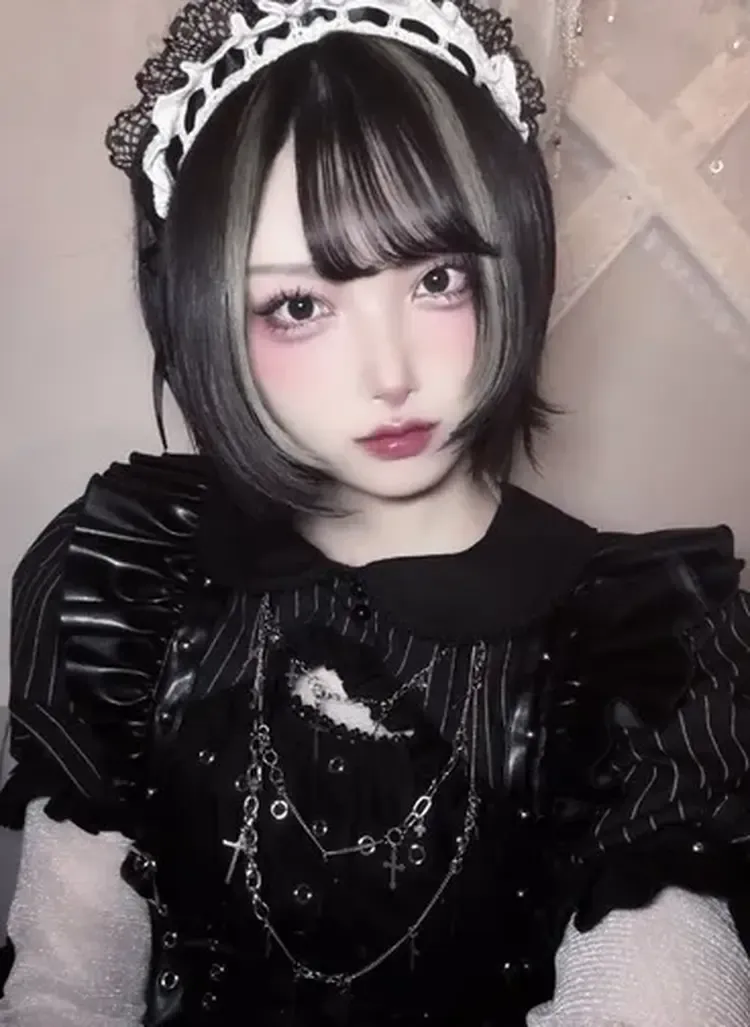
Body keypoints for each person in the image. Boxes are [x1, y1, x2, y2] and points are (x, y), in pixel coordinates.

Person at [1, 0, 750, 1023]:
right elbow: (64, 981)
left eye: (436, 278)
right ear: (207, 312)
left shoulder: (645, 643)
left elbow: (659, 990)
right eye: (299, 305)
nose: (390, 373)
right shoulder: (132, 579)